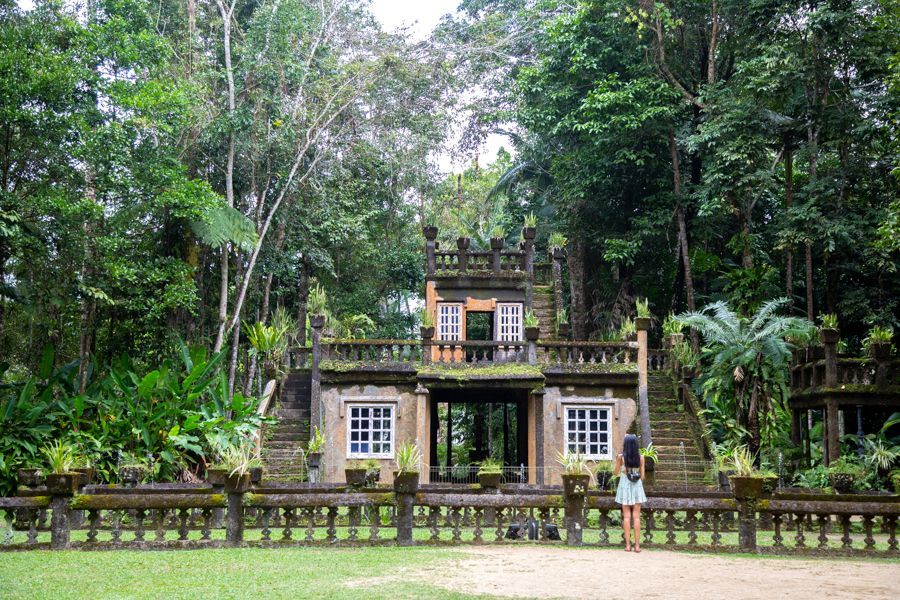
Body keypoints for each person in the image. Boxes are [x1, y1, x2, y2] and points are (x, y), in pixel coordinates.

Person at [614, 433, 648, 552]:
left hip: (624, 486)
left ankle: (628, 545)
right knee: (637, 517)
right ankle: (637, 546)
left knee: (627, 517)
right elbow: (643, 477)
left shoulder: (621, 457)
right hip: (637, 487)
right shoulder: (641, 457)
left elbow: (615, 473)